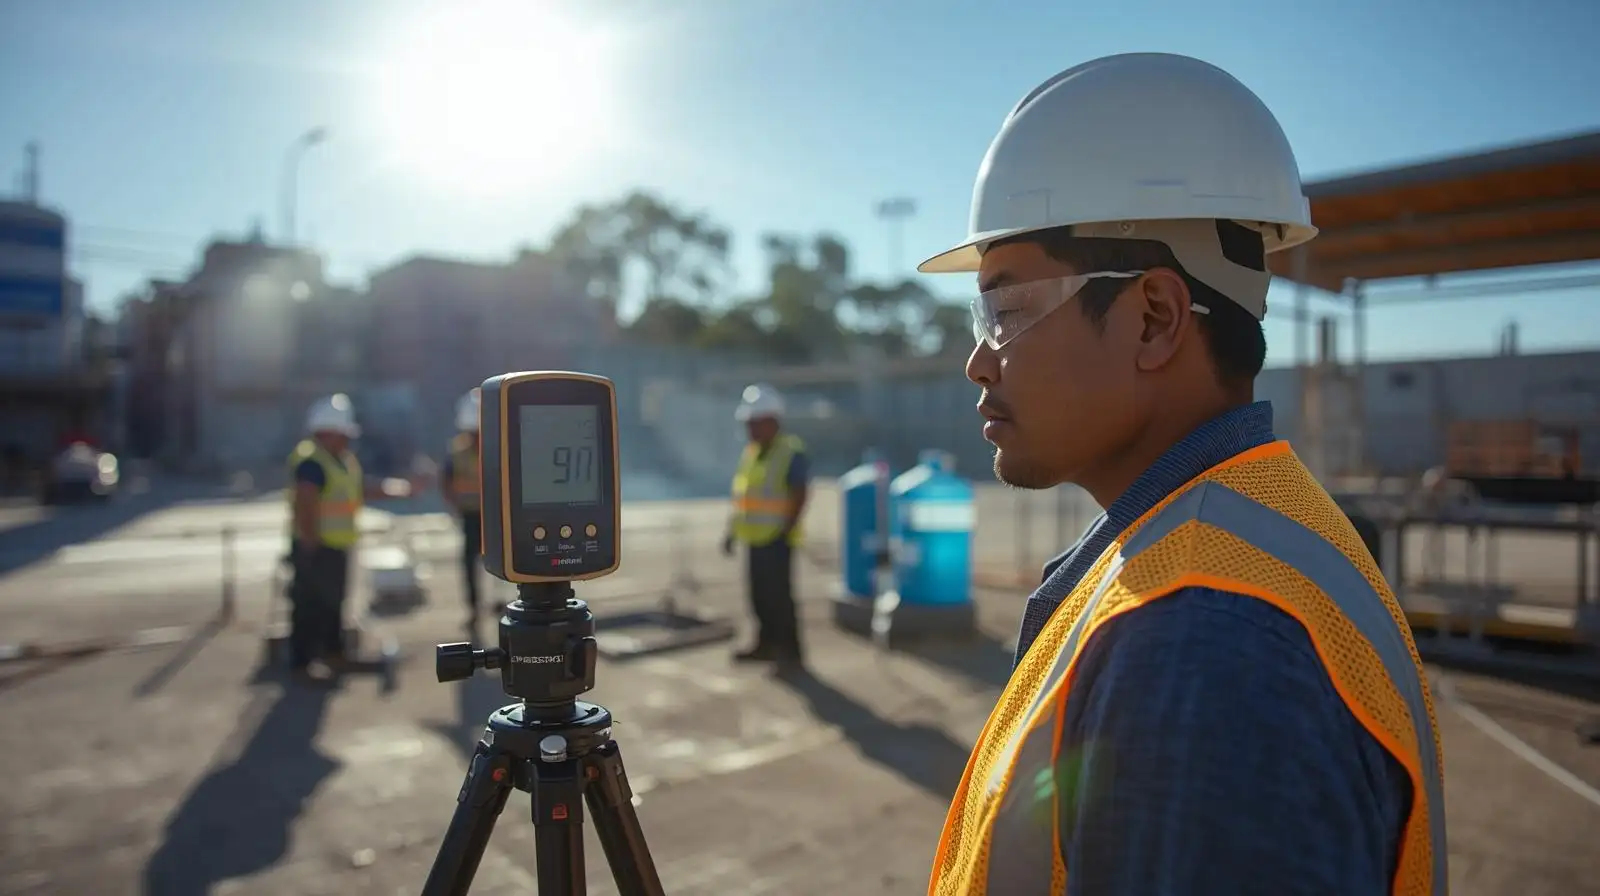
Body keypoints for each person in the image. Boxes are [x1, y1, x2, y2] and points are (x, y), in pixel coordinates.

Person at [919, 54, 1446, 895]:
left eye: (1007, 311)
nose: (979, 360)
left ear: (1155, 318)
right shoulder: (1235, 537)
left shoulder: (1203, 648)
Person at [287, 393, 427, 685]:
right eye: (344, 434)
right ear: (328, 432)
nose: (348, 440)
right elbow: (305, 502)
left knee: (333, 603)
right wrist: (310, 542)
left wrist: (399, 489)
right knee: (310, 605)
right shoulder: (312, 462)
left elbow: (358, 490)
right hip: (316, 547)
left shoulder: (340, 461)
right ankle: (304, 663)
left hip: (336, 544)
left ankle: (334, 654)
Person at [721, 383, 810, 666]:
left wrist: (787, 529)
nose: (750, 430)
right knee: (758, 597)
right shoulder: (751, 452)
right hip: (754, 538)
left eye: (754, 423)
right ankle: (765, 645)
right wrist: (731, 532)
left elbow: (800, 492)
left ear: (771, 421)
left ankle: (790, 653)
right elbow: (744, 496)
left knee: (780, 599)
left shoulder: (791, 451)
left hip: (777, 538)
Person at [442, 388, 485, 626]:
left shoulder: (498, 448)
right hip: (470, 515)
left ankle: (501, 602)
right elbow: (446, 481)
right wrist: (454, 505)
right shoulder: (457, 451)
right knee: (469, 563)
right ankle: (474, 607)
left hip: (494, 516)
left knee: (501, 561)